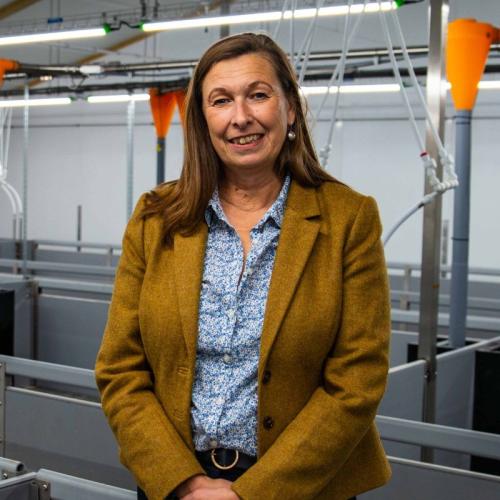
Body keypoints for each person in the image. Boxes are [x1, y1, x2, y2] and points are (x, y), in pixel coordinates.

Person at [95, 32, 391, 500]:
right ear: (202, 119)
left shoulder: (348, 219)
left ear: (289, 108)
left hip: (301, 487)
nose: (240, 117)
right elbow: (120, 369)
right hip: (175, 483)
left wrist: (249, 494)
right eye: (221, 100)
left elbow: (357, 380)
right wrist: (184, 482)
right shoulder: (156, 218)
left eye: (258, 95)